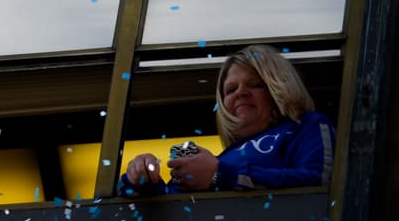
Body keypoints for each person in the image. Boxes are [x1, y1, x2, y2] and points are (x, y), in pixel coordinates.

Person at [119, 44, 336, 196]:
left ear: (279, 88)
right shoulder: (222, 157)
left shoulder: (306, 125)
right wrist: (142, 179)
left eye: (255, 84)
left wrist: (218, 174)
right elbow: (173, 208)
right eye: (231, 89)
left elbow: (320, 184)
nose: (241, 92)